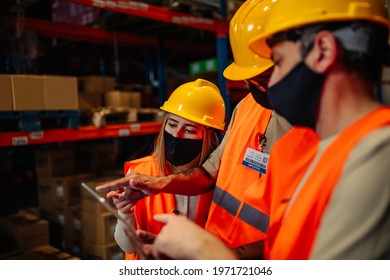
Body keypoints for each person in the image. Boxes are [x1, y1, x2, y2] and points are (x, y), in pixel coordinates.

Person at [141, 0, 390, 260]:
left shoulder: (377, 156)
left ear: (323, 50)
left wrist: (208, 254)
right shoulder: (299, 151)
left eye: (278, 63)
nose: (272, 85)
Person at [97, 0, 294, 259]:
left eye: (261, 78)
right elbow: (212, 172)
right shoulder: (246, 107)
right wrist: (159, 184)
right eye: (249, 79)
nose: (253, 87)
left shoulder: (309, 127)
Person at [108, 78, 226, 260]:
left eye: (189, 130)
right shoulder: (141, 173)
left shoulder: (219, 180)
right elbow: (128, 247)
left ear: (208, 137)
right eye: (172, 125)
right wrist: (125, 213)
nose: (176, 135)